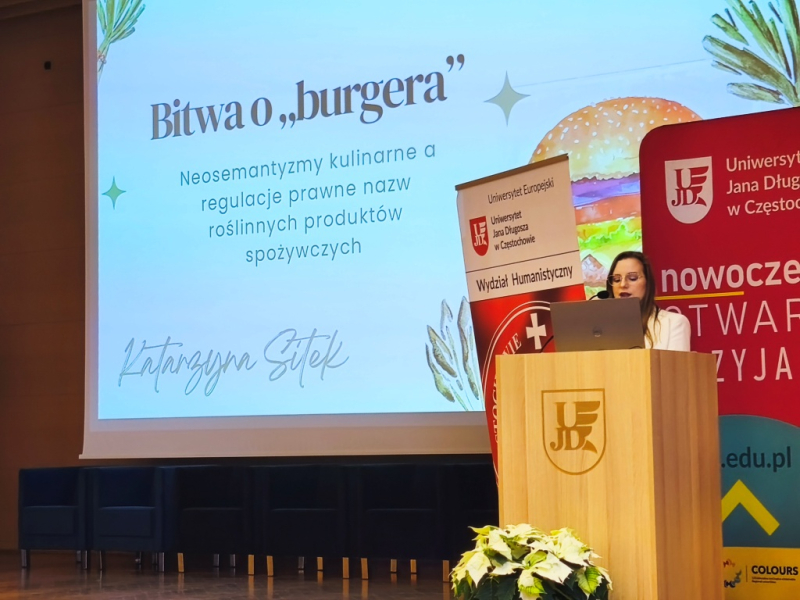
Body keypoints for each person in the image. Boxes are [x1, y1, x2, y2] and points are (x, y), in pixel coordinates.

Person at [605, 251, 690, 351]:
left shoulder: (674, 323)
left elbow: (675, 362)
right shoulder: (602, 329)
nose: (623, 284)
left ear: (647, 283)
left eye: (632, 278)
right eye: (616, 279)